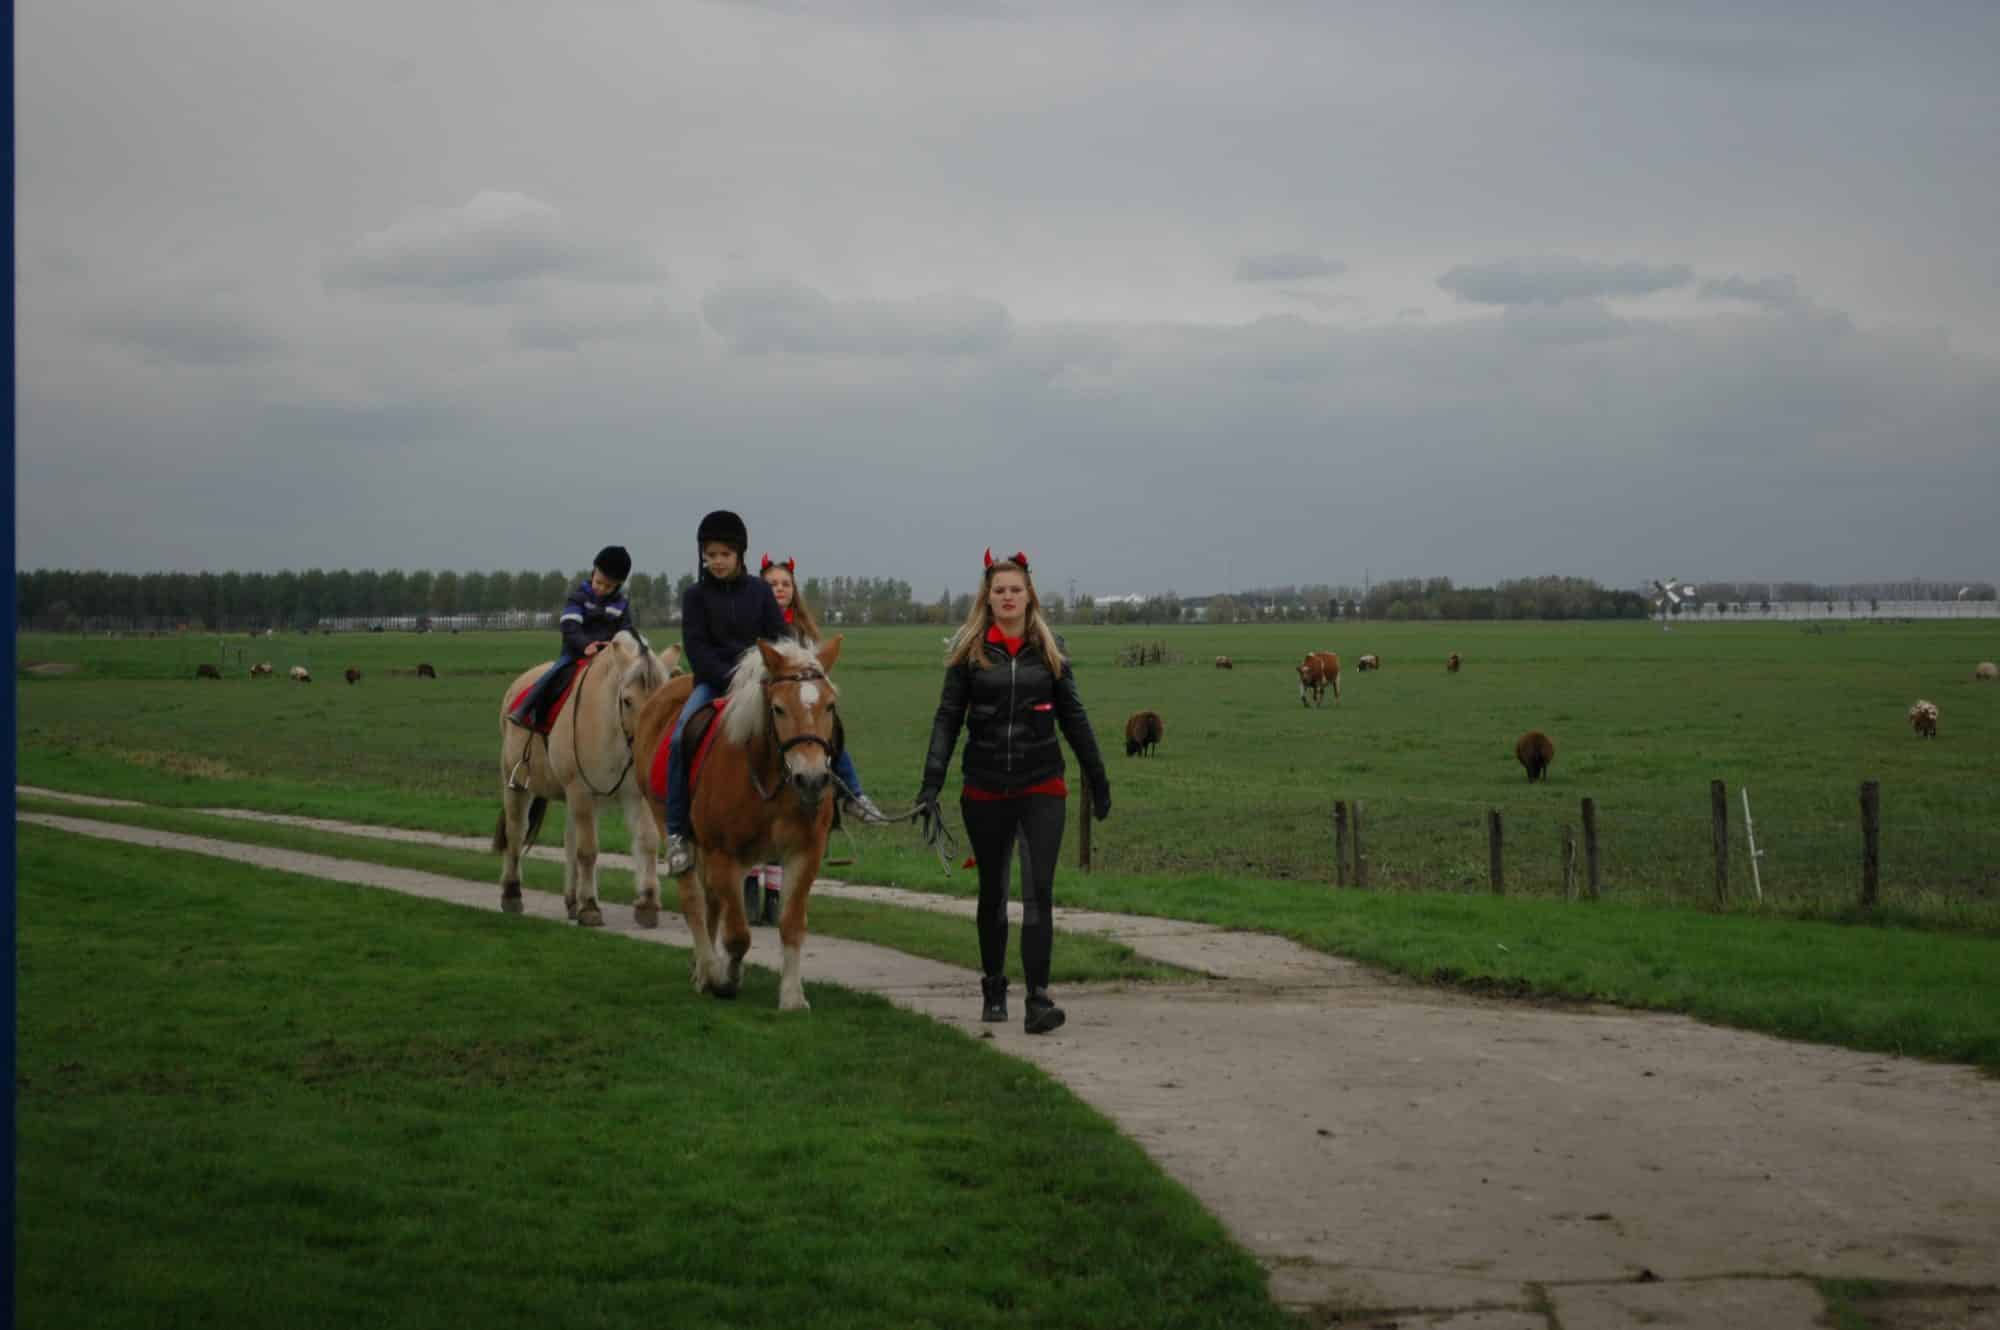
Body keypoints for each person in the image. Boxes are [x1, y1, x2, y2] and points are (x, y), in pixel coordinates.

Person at [916, 549, 1111, 1034]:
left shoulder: (1051, 650)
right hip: (984, 788)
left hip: (1041, 784)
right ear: (987, 598)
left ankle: (1039, 999)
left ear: (1029, 596)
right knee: (993, 893)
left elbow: (1074, 717)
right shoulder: (968, 652)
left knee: (1039, 892)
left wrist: (1097, 776)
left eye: (1015, 590)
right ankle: (994, 987)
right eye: (999, 590)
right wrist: (931, 781)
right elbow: (947, 719)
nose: (1007, 597)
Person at [742, 554, 887, 923]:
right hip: (760, 707)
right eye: (771, 584)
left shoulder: (803, 633)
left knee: (831, 735)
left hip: (797, 713)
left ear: (795, 590)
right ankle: (746, 882)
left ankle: (853, 795)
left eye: (785, 584)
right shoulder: (751, 624)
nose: (779, 589)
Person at [662, 511, 786, 876]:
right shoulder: (695, 596)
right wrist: (732, 680)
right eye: (710, 555)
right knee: (680, 737)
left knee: (808, 722)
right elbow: (697, 649)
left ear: (740, 554)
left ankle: (845, 798)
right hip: (713, 683)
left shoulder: (760, 592)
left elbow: (780, 637)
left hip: (761, 684)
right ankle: (676, 832)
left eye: (724, 554)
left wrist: (778, 669)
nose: (717, 561)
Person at [507, 545, 635, 732]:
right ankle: (526, 708)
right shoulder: (578, 598)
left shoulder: (621, 604)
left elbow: (626, 630)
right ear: (593, 572)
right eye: (598, 582)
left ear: (618, 585)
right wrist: (585, 645)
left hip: (607, 655)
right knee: (555, 672)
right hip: (576, 652)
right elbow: (570, 626)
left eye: (608, 586)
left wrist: (616, 644)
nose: (601, 588)